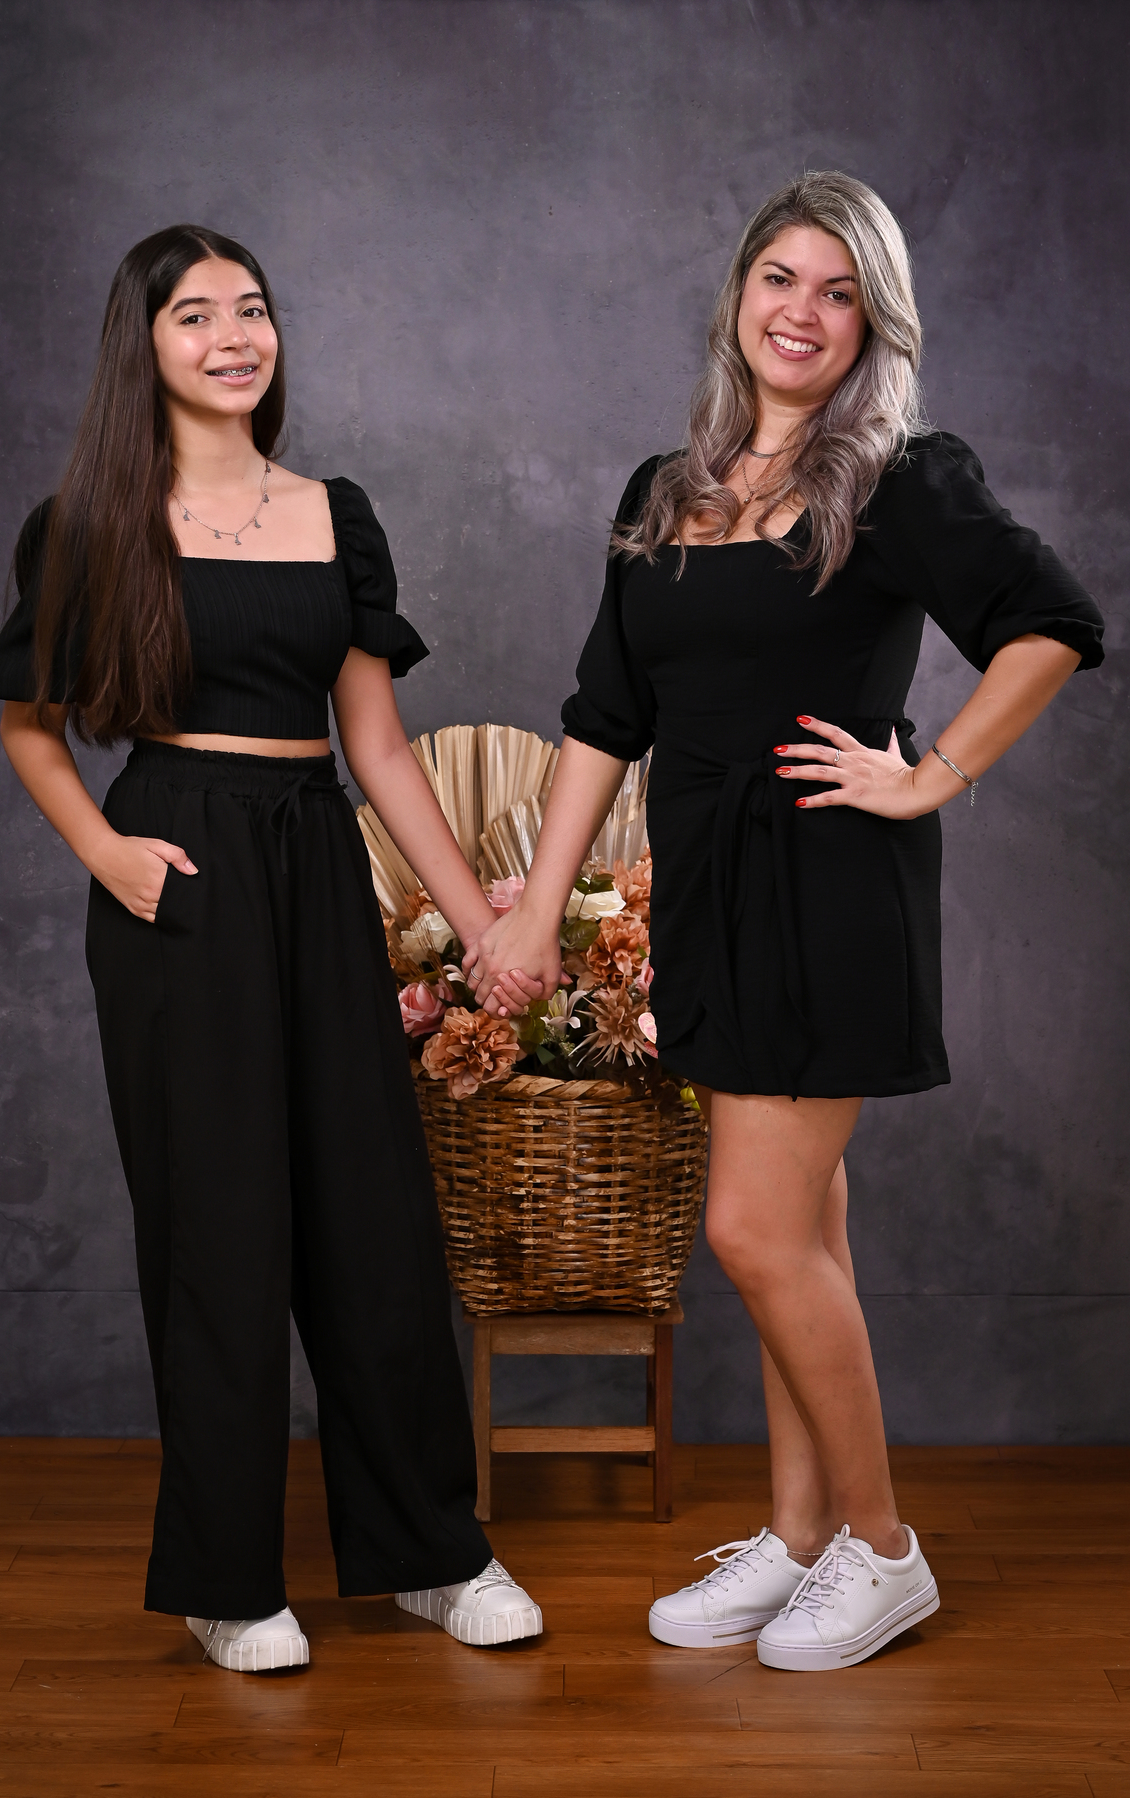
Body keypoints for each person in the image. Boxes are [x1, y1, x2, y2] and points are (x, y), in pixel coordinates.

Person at [466, 172, 1104, 1673]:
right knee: (803, 1230)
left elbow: (1054, 623)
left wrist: (931, 774)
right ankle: (802, 1536)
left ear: (875, 324)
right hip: (708, 891)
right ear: (739, 293)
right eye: (782, 278)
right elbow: (603, 717)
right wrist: (539, 908)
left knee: (753, 1230)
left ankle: (884, 1549)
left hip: (830, 890)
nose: (803, 313)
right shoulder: (662, 488)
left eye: (840, 292)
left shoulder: (900, 477)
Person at [0, 224, 544, 1672]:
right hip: (176, 867)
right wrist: (107, 852)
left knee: (373, 1214)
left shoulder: (335, 515)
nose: (233, 336)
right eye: (195, 315)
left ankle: (431, 1552)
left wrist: (484, 919)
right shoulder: (88, 523)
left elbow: (377, 746)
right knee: (220, 1226)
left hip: (315, 857)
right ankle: (228, 1579)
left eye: (251, 309)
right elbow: (30, 726)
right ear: (143, 344)